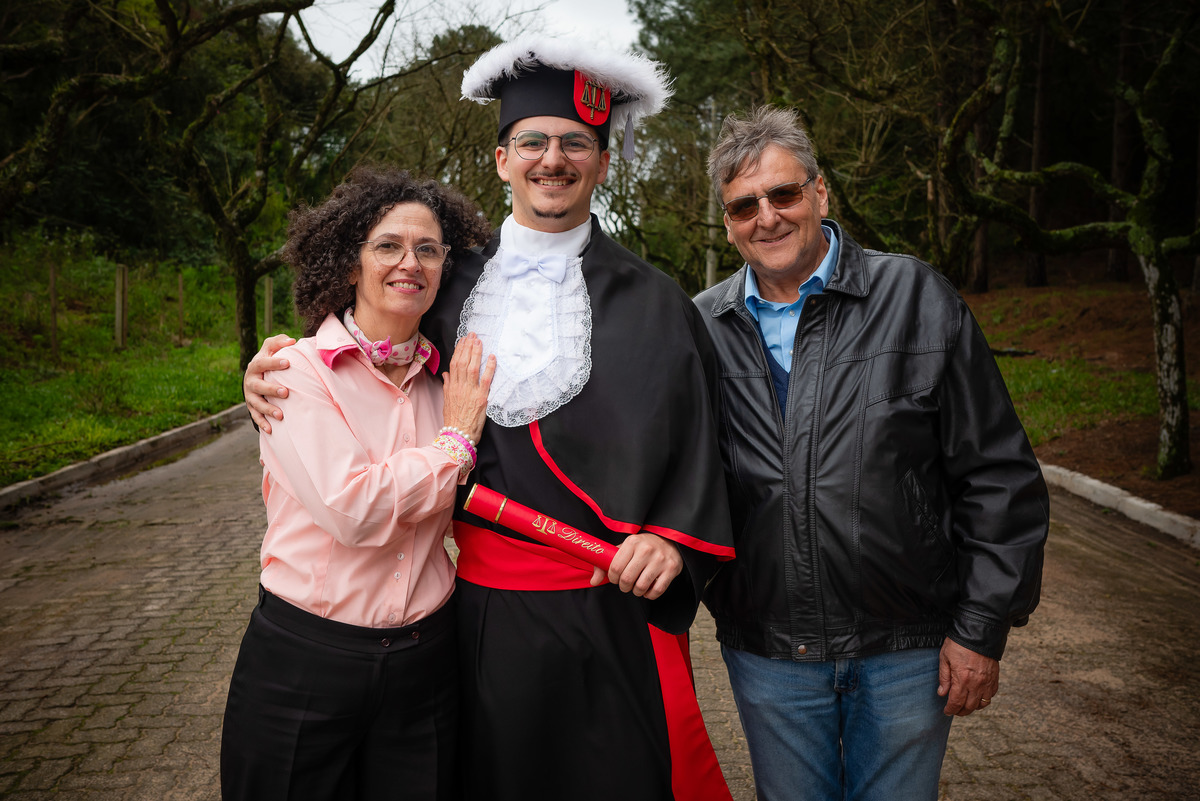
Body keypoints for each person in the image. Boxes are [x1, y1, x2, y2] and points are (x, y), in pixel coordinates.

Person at [244, 38, 737, 801]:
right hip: (464, 622)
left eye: (577, 143)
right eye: (533, 141)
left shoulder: (661, 304)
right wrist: (275, 365)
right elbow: (359, 353)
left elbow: (705, 451)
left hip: (606, 619)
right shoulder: (440, 282)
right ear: (502, 158)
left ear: (604, 163)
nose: (554, 158)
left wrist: (671, 542)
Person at [692, 105, 1050, 801]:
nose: (766, 216)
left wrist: (980, 630)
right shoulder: (703, 324)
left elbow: (997, 474)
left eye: (784, 193)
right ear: (728, 220)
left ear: (821, 192)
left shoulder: (916, 296)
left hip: (907, 651)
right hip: (771, 653)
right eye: (743, 205)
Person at [220, 166, 495, 801]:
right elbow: (355, 509)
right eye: (388, 245)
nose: (410, 262)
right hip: (305, 661)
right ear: (350, 263)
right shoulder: (293, 371)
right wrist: (454, 445)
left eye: (428, 249)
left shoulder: (451, 383)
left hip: (428, 662)